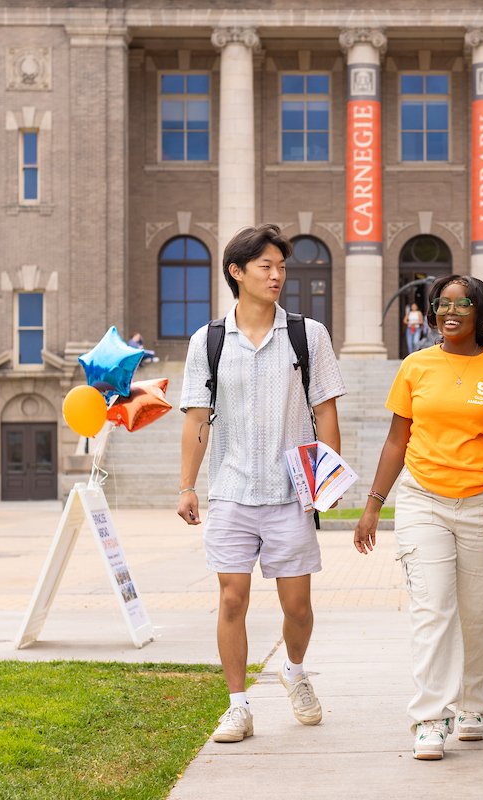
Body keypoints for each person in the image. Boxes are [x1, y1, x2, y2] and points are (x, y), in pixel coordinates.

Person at [178, 224, 346, 744]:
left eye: (281, 267)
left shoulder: (307, 334)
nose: (277, 276)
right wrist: (186, 485)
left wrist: (326, 478)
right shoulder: (207, 341)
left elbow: (326, 411)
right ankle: (237, 706)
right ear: (237, 272)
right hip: (230, 490)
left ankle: (294, 671)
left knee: (297, 607)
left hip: (291, 492)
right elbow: (196, 418)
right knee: (232, 599)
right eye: (265, 267)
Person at [354, 275, 483, 761]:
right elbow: (396, 441)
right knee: (433, 610)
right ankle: (430, 717)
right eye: (442, 305)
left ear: (481, 312)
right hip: (422, 500)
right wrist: (372, 504)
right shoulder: (415, 366)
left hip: (482, 501)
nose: (450, 312)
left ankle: (472, 705)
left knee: (476, 615)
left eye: (462, 304)